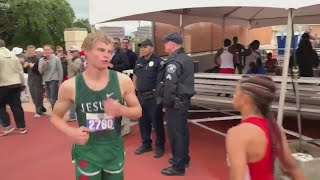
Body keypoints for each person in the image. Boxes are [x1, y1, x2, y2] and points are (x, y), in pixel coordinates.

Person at [50, 32, 142, 180]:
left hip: (113, 149)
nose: (106, 55)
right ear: (85, 51)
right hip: (87, 151)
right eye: (100, 50)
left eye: (109, 51)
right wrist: (71, 132)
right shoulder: (70, 86)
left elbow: (138, 111)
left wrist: (121, 110)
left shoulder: (123, 81)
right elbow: (55, 117)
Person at [226, 75, 304, 180]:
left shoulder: (237, 134)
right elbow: (293, 168)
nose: (233, 96)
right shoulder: (275, 127)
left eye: (236, 92)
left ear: (245, 98)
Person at [156, 32, 195, 176]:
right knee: (182, 132)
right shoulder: (187, 59)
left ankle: (178, 166)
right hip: (183, 101)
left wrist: (166, 103)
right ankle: (184, 159)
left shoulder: (174, 61)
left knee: (175, 134)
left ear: (172, 44)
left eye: (166, 43)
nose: (164, 45)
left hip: (175, 103)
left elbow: (170, 85)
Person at [133, 39, 165, 158]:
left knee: (157, 123)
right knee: (143, 122)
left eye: (145, 47)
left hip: (153, 98)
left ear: (151, 48)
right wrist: (135, 92)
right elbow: (135, 76)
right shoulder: (139, 61)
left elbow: (162, 81)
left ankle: (160, 146)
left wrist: (157, 95)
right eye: (141, 47)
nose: (142, 49)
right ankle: (146, 144)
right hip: (141, 98)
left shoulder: (159, 62)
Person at [0, 39, 27, 135]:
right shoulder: (13, 56)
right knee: (16, 106)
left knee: (1, 106)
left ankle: (7, 126)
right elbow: (20, 71)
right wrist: (22, 83)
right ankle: (21, 127)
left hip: (2, 84)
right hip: (15, 83)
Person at [24, 45, 46, 118]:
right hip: (30, 79)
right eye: (29, 51)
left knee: (38, 95)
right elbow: (26, 71)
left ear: (35, 51)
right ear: (27, 51)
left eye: (32, 51)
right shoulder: (27, 59)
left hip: (37, 79)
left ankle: (38, 111)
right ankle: (41, 107)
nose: (30, 52)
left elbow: (40, 71)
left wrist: (33, 67)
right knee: (33, 96)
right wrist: (24, 67)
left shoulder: (38, 59)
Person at [38, 44, 63, 109]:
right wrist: (43, 65)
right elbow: (40, 72)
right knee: (48, 97)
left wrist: (60, 81)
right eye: (46, 50)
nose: (47, 51)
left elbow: (60, 70)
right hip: (46, 79)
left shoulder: (56, 59)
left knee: (53, 97)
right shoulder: (41, 60)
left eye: (48, 50)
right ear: (43, 51)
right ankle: (55, 109)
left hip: (54, 79)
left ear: (51, 50)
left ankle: (55, 111)